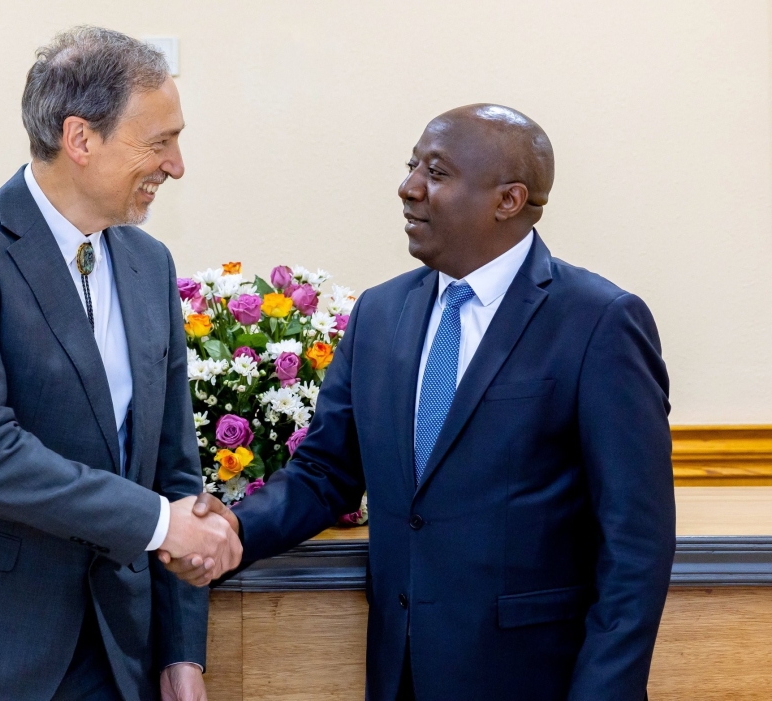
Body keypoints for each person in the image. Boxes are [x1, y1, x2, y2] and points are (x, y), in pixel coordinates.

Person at [168, 104, 676, 700]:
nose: (407, 188)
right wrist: (233, 527)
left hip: (536, 678)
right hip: (400, 672)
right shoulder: (380, 314)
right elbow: (325, 472)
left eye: (435, 172)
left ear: (508, 200)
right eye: (412, 166)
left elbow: (636, 542)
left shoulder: (599, 322)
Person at [0, 27, 240, 701]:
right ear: (80, 139)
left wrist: (182, 652)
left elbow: (173, 468)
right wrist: (158, 523)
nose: (176, 165)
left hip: (111, 655)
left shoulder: (151, 266)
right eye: (159, 142)